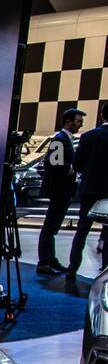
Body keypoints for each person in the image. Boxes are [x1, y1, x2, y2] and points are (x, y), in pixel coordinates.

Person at [36, 107, 84, 276]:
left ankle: (49, 259)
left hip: (63, 190)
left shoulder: (65, 139)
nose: (81, 124)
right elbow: (52, 162)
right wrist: (70, 168)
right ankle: (44, 262)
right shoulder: (60, 139)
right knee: (50, 226)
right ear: (68, 122)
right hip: (59, 189)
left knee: (53, 226)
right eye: (78, 121)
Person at [66, 101, 108, 291]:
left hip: (89, 190)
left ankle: (72, 269)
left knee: (81, 231)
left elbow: (77, 163)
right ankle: (105, 270)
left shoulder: (88, 136)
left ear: (101, 116)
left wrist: (90, 176)